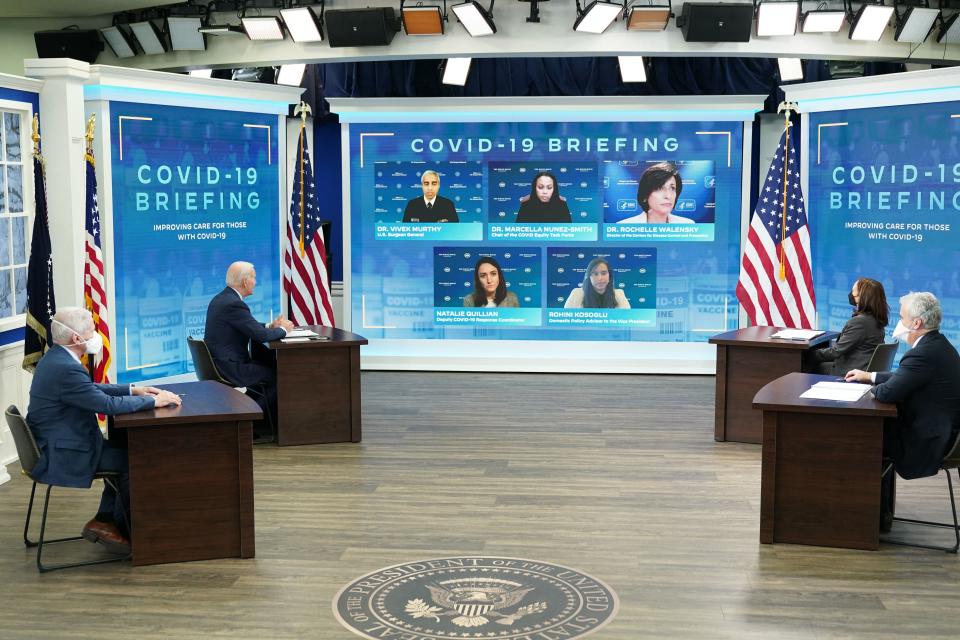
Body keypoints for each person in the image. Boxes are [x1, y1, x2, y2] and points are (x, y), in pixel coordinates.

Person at [27, 307, 181, 555]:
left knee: (124, 452)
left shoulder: (56, 357)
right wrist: (155, 401)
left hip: (57, 441)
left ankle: (106, 520)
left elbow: (91, 389)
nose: (96, 334)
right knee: (134, 460)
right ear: (77, 338)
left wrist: (133, 390)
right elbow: (106, 405)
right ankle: (126, 530)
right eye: (91, 330)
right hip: (64, 452)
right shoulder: (66, 368)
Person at [845, 292, 960, 528]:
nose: (899, 322)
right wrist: (871, 376)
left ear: (916, 323)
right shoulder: (939, 345)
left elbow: (888, 393)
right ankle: (880, 515)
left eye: (902, 317)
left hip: (929, 440)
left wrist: (873, 388)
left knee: (861, 439)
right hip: (946, 434)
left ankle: (861, 522)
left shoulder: (922, 353)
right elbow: (906, 376)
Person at [204, 262, 293, 438]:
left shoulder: (223, 298)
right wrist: (284, 330)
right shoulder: (233, 304)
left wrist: (270, 325)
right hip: (230, 366)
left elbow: (249, 326)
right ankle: (250, 425)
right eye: (253, 277)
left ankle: (252, 419)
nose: (255, 282)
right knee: (277, 377)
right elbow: (260, 336)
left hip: (221, 362)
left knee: (267, 373)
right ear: (245, 282)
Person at [811, 277, 888, 375]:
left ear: (861, 297)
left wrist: (808, 354)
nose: (850, 294)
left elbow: (836, 352)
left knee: (809, 365)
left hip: (850, 372)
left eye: (853, 292)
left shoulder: (860, 322)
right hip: (862, 368)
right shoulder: (876, 319)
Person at [618, 162, 694, 224]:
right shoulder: (624, 227)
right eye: (659, 188)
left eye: (672, 188)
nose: (668, 195)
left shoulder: (688, 225)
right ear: (645, 196)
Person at [564, 257, 631, 309]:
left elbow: (627, 320)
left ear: (609, 276)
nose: (600, 278)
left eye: (604, 273)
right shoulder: (576, 294)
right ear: (589, 277)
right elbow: (565, 320)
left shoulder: (619, 294)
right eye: (595, 274)